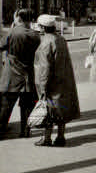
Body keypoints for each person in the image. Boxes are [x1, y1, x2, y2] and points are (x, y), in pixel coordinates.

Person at [0, 9, 40, 140]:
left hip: (12, 74)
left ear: (18, 18)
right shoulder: (35, 35)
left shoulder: (12, 32)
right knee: (26, 105)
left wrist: (12, 28)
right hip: (27, 74)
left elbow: (0, 45)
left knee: (6, 106)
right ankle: (25, 131)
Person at [33, 14, 80, 147]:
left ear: (42, 27)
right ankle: (60, 136)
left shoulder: (45, 43)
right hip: (63, 80)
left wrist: (42, 87)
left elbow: (45, 68)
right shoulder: (61, 39)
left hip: (51, 83)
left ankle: (46, 137)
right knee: (60, 109)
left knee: (48, 110)